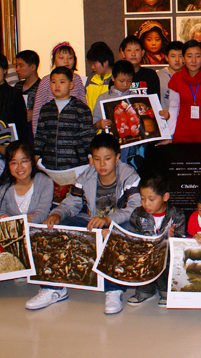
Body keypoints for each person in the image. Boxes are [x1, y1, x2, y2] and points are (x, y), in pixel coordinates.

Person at [28, 133, 141, 313]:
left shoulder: (130, 176)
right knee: (57, 226)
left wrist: (109, 220)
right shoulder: (86, 176)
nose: (102, 164)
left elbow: (135, 208)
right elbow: (71, 203)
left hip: (120, 223)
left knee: (121, 230)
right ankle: (53, 288)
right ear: (91, 159)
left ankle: (113, 290)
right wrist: (57, 214)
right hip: (92, 222)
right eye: (97, 159)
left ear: (117, 157)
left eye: (107, 158)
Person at [33, 67, 95, 202]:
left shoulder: (81, 109)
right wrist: (35, 158)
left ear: (71, 85)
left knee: (75, 201)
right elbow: (40, 137)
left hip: (76, 166)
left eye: (62, 82)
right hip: (50, 166)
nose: (57, 86)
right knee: (52, 202)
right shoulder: (46, 109)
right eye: (53, 82)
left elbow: (88, 136)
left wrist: (91, 157)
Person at [127, 170, 186, 307]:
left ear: (165, 197)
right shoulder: (138, 214)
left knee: (166, 259)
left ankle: (166, 290)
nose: (146, 203)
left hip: (167, 255)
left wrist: (174, 237)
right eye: (142, 198)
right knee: (140, 258)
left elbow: (182, 240)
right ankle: (145, 289)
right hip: (146, 254)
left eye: (151, 199)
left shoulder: (176, 214)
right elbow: (133, 234)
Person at [167, 40, 201, 142]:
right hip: (182, 135)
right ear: (183, 58)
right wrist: (170, 135)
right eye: (189, 56)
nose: (193, 60)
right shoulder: (176, 79)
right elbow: (173, 108)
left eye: (197, 56)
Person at [0, 141, 53, 224]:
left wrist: (13, 220)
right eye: (14, 163)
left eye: (24, 161)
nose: (19, 167)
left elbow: (41, 215)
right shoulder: (3, 189)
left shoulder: (45, 182)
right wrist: (25, 218)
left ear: (32, 161)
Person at [14, 50, 40, 134]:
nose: (17, 69)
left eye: (21, 65)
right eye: (17, 65)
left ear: (33, 67)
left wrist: (35, 114)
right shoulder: (17, 86)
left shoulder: (41, 87)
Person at [84, 42, 114, 115]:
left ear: (105, 62)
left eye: (94, 63)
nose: (92, 67)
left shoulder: (116, 79)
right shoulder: (91, 78)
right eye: (91, 63)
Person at [157, 41, 184, 110]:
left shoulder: (190, 76)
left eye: (180, 56)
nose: (177, 60)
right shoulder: (158, 76)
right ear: (166, 57)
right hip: (164, 115)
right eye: (173, 56)